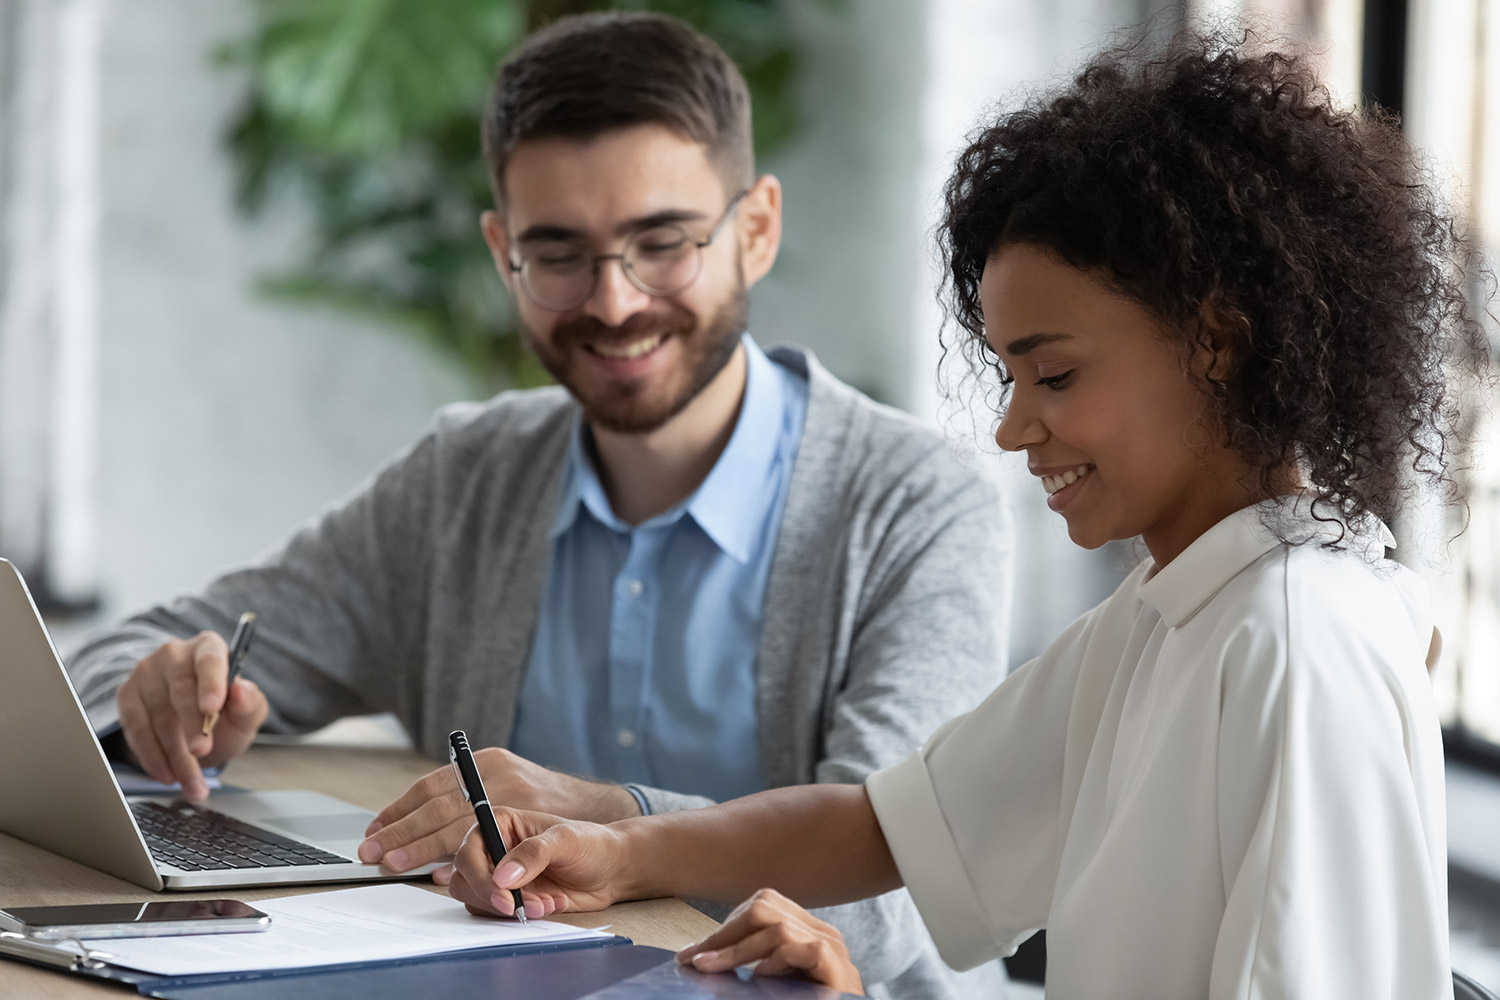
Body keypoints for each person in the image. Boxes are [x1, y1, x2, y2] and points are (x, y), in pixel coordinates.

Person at [444, 31, 1490, 1000]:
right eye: (1007, 375)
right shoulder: (1174, 612)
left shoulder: (1290, 638)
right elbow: (892, 824)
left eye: (1056, 374)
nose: (1012, 428)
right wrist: (620, 853)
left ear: (1216, 342)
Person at [65, 11, 1011, 999]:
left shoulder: (916, 506)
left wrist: (618, 820)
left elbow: (898, 892)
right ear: (502, 250)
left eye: (662, 243)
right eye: (558, 255)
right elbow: (110, 661)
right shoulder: (462, 482)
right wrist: (160, 697)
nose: (612, 300)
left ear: (757, 228)